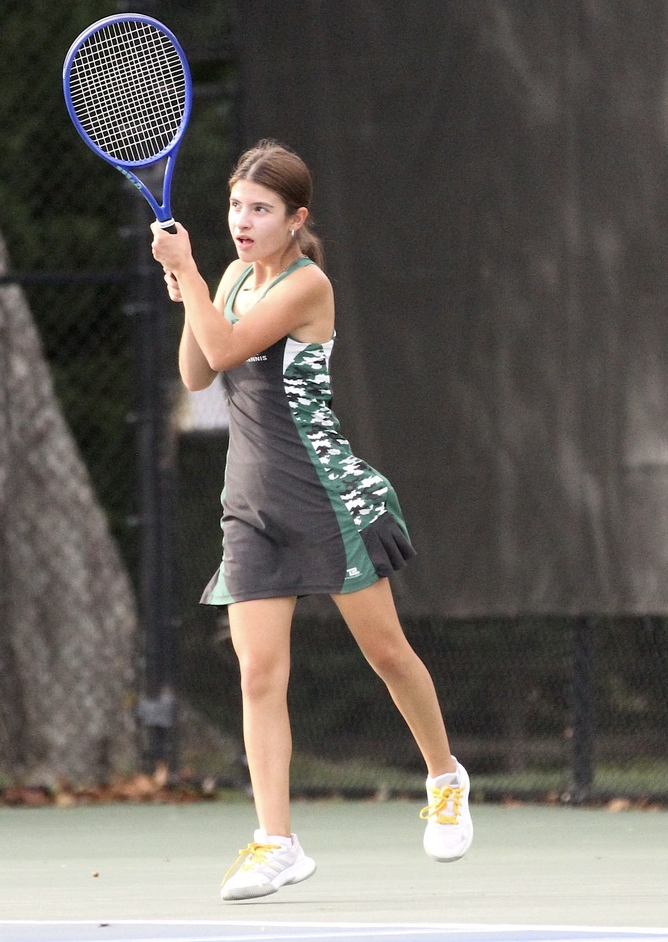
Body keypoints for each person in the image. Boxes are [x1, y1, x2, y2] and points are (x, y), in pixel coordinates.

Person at [150, 140, 473, 902]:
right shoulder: (228, 277)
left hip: (324, 495)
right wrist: (187, 285)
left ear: (296, 220)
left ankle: (444, 775)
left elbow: (229, 344)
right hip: (251, 505)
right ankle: (277, 840)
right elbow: (200, 370)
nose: (242, 220)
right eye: (236, 206)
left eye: (260, 209)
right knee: (258, 672)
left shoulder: (308, 285)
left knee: (388, 652)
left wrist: (191, 277)